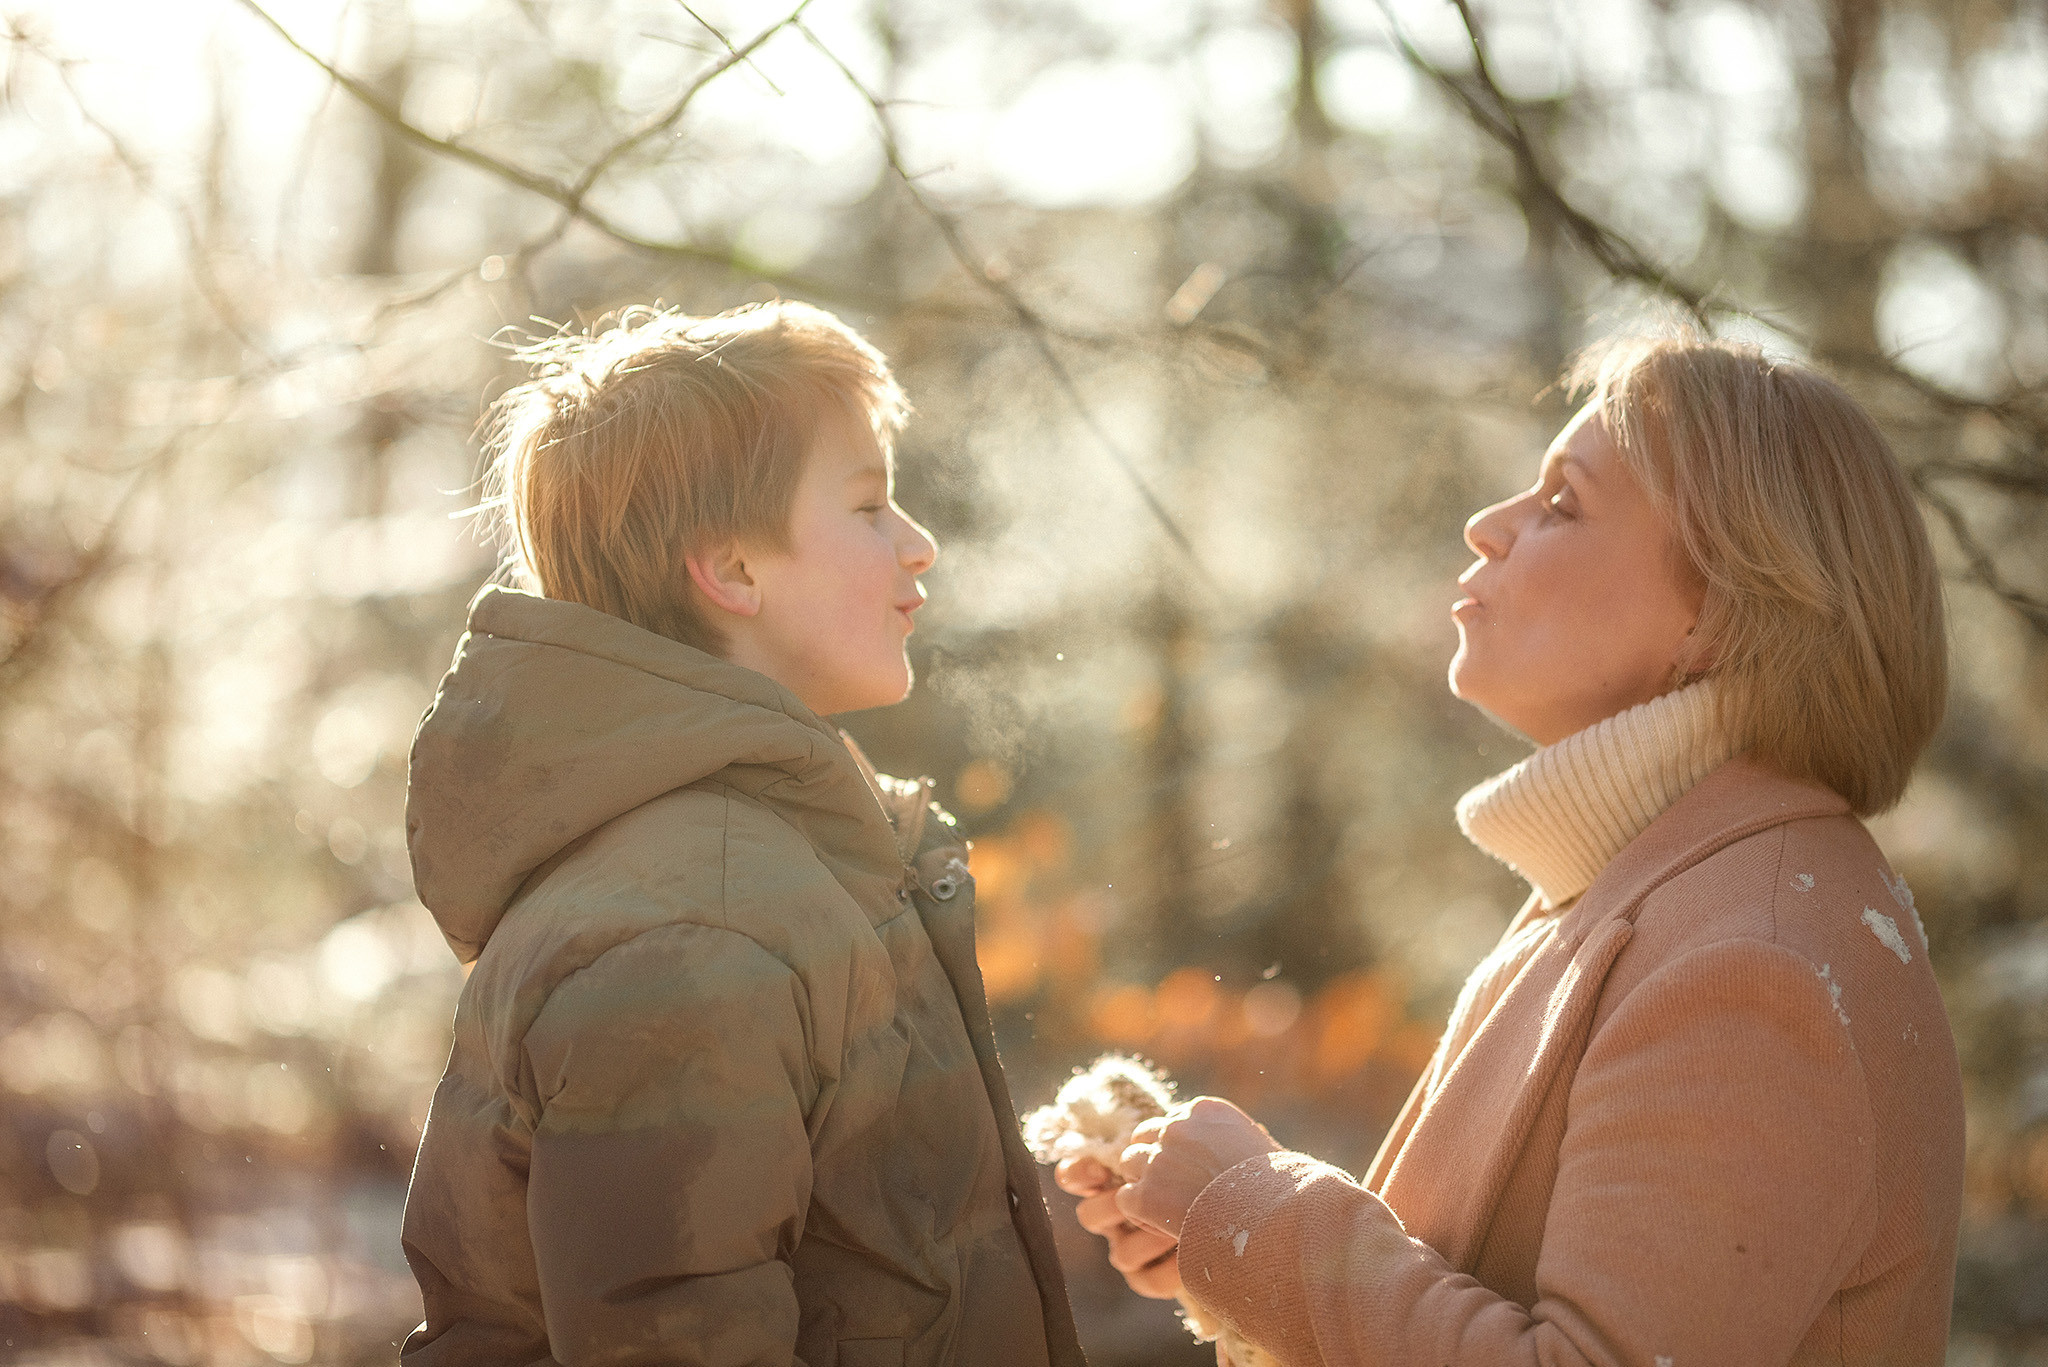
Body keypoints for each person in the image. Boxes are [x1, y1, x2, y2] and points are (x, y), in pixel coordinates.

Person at [1060, 333, 1964, 1365]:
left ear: (1718, 608)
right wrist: (1229, 1247)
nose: (1485, 526)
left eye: (1561, 503)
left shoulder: (1748, 962)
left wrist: (1262, 1213)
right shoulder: (1636, 892)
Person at [399, 301, 1086, 1367]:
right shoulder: (699, 922)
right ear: (732, 569)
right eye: (868, 506)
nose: (918, 543)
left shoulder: (777, 868)